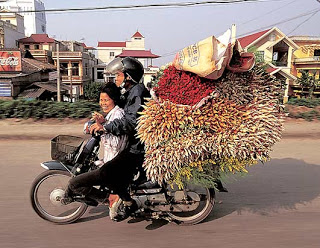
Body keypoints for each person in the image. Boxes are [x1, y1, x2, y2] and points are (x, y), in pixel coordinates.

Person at [89, 57, 150, 221]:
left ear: (128, 77)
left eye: (119, 75)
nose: (116, 78)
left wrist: (106, 127)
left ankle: (129, 204)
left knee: (109, 172)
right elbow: (118, 112)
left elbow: (130, 122)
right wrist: (104, 120)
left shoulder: (137, 92)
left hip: (137, 147)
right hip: (132, 143)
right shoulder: (130, 92)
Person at [62, 83, 128, 220]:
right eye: (101, 100)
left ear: (114, 99)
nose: (102, 103)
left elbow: (116, 143)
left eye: (106, 100)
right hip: (111, 160)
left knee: (75, 183)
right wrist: (101, 123)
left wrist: (102, 127)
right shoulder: (111, 113)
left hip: (114, 165)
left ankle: (110, 198)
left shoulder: (118, 114)